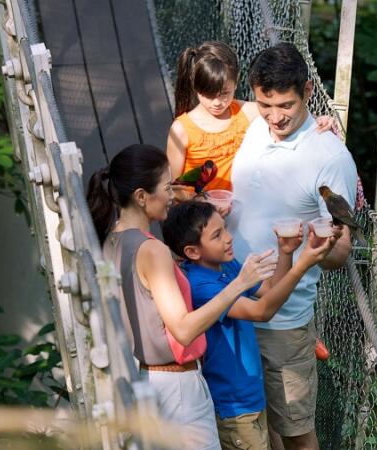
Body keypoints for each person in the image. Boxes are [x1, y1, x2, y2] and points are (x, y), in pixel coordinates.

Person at [87, 144, 279, 450]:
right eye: (166, 187)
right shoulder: (153, 250)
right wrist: (239, 283)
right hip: (178, 390)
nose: (173, 193)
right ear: (141, 197)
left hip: (145, 380)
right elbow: (184, 329)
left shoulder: (112, 239)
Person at [226, 43, 358, 450]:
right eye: (266, 104)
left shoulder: (330, 156)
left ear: (307, 93)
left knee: (295, 431)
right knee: (253, 426)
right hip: (231, 303)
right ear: (253, 93)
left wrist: (321, 245)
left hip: (282, 320)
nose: (276, 116)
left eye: (286, 104)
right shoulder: (252, 123)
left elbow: (341, 252)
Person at [161, 201, 332, 450]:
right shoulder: (200, 285)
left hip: (251, 395)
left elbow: (270, 289)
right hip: (233, 406)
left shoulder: (224, 264)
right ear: (193, 252)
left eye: (225, 229)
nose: (229, 238)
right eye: (217, 235)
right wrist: (303, 264)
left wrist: (285, 252)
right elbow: (261, 312)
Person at [166, 41, 334, 203]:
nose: (217, 102)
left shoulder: (246, 112)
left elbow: (289, 113)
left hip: (240, 211)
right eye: (208, 94)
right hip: (199, 219)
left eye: (224, 93)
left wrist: (318, 119)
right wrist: (203, 202)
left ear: (236, 81)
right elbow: (172, 188)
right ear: (195, 87)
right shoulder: (182, 130)